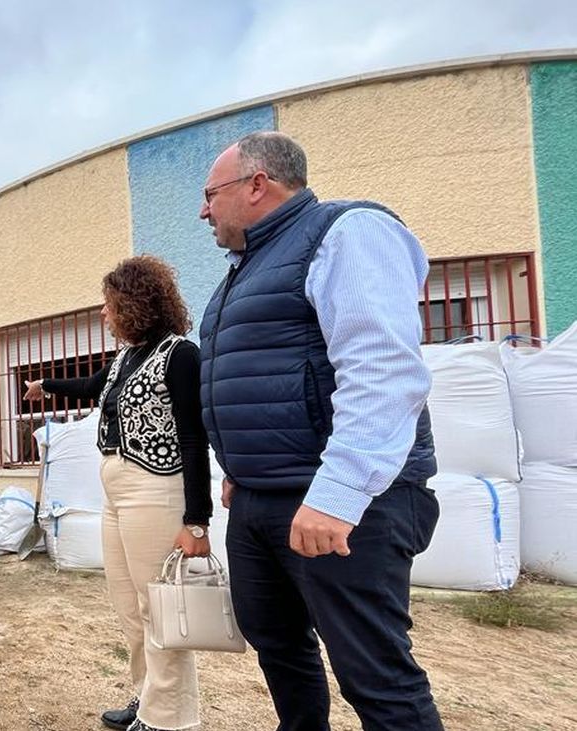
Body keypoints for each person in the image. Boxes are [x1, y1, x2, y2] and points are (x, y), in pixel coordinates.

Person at [197, 131, 442, 730]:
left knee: (374, 675)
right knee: (278, 645)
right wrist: (241, 469)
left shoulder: (346, 232)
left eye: (210, 194)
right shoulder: (242, 273)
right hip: (262, 499)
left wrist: (337, 494)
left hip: (336, 504)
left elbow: (382, 370)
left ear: (258, 184)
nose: (204, 211)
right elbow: (265, 378)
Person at [24, 255, 212, 731]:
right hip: (117, 493)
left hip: (156, 492)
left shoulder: (180, 354)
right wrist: (43, 385)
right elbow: (91, 385)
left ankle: (167, 718)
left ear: (134, 302)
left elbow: (194, 436)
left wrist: (196, 520)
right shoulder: (128, 357)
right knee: (129, 606)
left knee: (160, 607)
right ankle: (146, 697)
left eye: (109, 304)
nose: (104, 314)